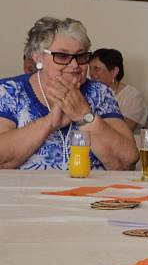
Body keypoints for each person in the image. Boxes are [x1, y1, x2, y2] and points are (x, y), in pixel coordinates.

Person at [0, 17, 138, 170]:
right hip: (24, 192)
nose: (74, 65)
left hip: (92, 192)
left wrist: (84, 116)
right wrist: (49, 123)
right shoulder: (10, 91)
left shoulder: (99, 93)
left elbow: (127, 161)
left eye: (81, 56)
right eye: (62, 56)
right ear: (38, 57)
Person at [89, 49, 148, 131]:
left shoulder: (132, 96)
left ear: (114, 71)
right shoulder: (90, 92)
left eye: (96, 68)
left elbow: (122, 130)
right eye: (90, 68)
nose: (91, 74)